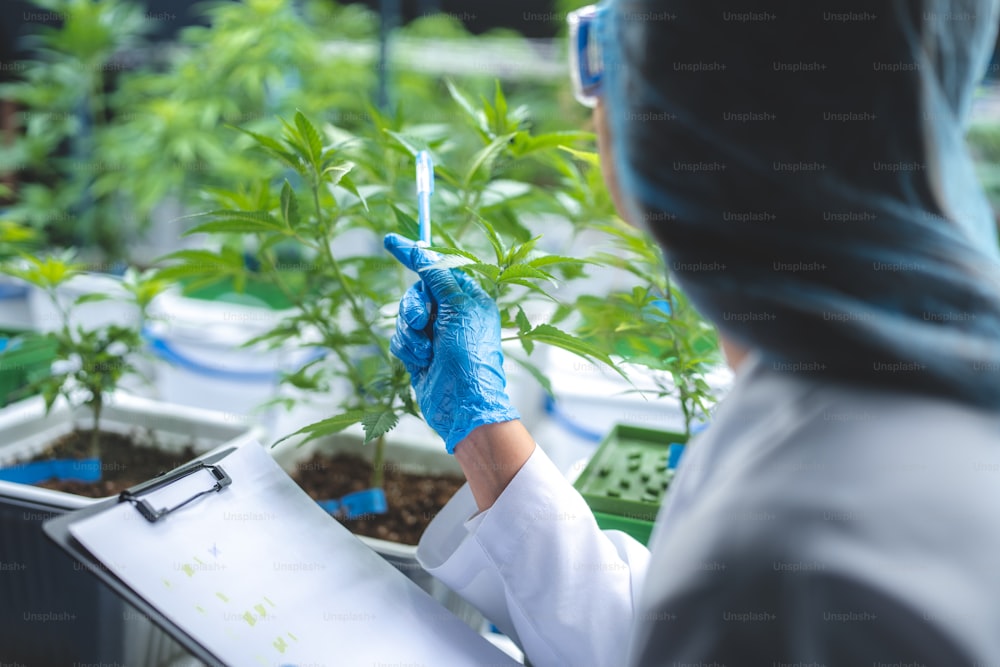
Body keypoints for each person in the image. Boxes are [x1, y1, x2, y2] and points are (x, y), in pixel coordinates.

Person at [384, 1, 1000, 665]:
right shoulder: (865, 384)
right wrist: (483, 432)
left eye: (609, 45)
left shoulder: (803, 553)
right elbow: (647, 636)